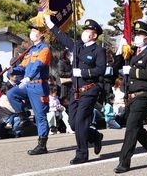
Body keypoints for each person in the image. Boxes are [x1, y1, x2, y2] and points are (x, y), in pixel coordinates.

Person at [45, 16, 105, 164]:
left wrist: (83, 73)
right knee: (73, 123)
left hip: (89, 90)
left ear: (94, 35)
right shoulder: (77, 46)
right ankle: (95, 136)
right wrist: (51, 24)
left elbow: (101, 69)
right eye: (84, 30)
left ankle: (82, 154)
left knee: (80, 121)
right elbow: (63, 37)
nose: (84, 32)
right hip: (75, 90)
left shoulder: (98, 50)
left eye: (88, 30)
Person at [112, 20, 147, 173]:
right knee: (136, 127)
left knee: (131, 128)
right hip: (130, 95)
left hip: (142, 94)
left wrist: (131, 71)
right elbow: (116, 67)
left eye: (141, 34)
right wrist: (120, 50)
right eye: (136, 34)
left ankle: (124, 162)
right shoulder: (131, 51)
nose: (137, 37)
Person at [8, 23, 52, 155]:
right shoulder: (31, 50)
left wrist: (28, 77)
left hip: (38, 85)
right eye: (32, 30)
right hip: (28, 85)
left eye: (34, 30)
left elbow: (38, 65)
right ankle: (24, 118)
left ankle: (42, 144)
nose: (32, 32)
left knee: (40, 116)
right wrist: (12, 70)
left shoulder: (45, 49)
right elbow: (23, 66)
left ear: (41, 34)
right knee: (11, 94)